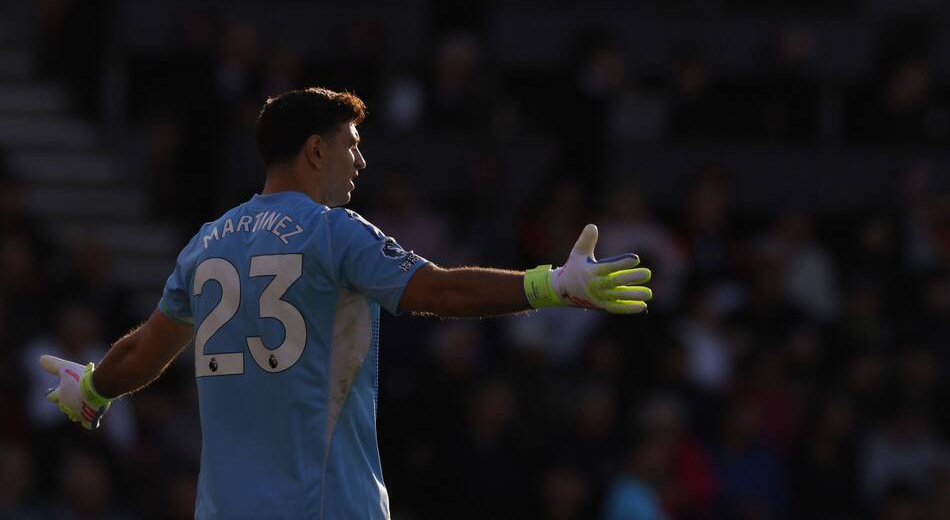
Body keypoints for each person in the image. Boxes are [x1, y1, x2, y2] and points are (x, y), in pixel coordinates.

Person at [39, 87, 653, 520]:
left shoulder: (205, 244)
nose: (359, 161)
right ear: (314, 151)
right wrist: (550, 285)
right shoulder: (333, 231)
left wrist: (92, 389)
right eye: (350, 144)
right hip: (327, 506)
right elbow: (437, 290)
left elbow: (144, 354)